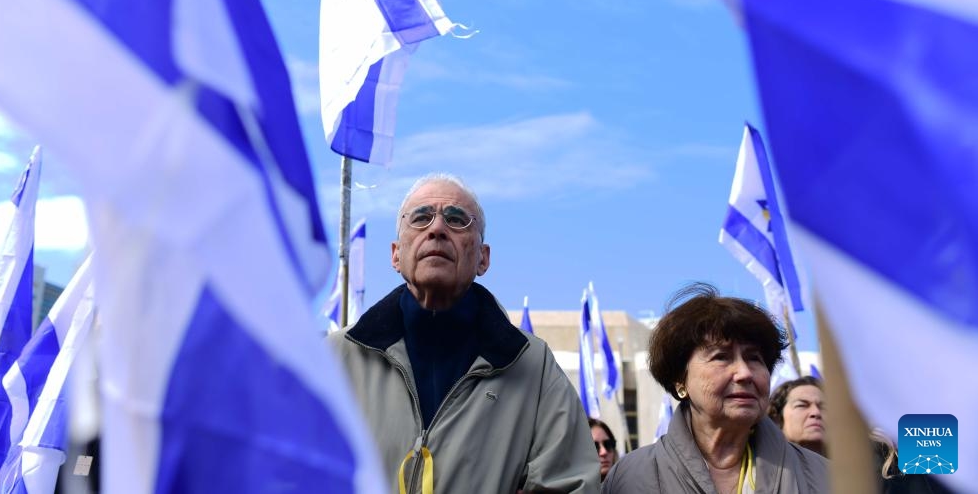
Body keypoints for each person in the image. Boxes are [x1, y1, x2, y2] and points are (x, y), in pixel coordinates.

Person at [328, 173, 600, 493]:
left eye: (457, 219)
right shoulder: (335, 358)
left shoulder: (533, 368)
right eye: (421, 217)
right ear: (395, 254)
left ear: (483, 258)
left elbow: (571, 484)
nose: (437, 229)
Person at [602, 283, 829, 493]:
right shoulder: (632, 477)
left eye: (754, 358)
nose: (744, 373)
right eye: (721, 357)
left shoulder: (824, 476)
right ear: (680, 380)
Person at [768, 376, 827, 456]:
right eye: (801, 405)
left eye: (823, 407)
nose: (816, 412)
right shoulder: (758, 465)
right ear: (777, 418)